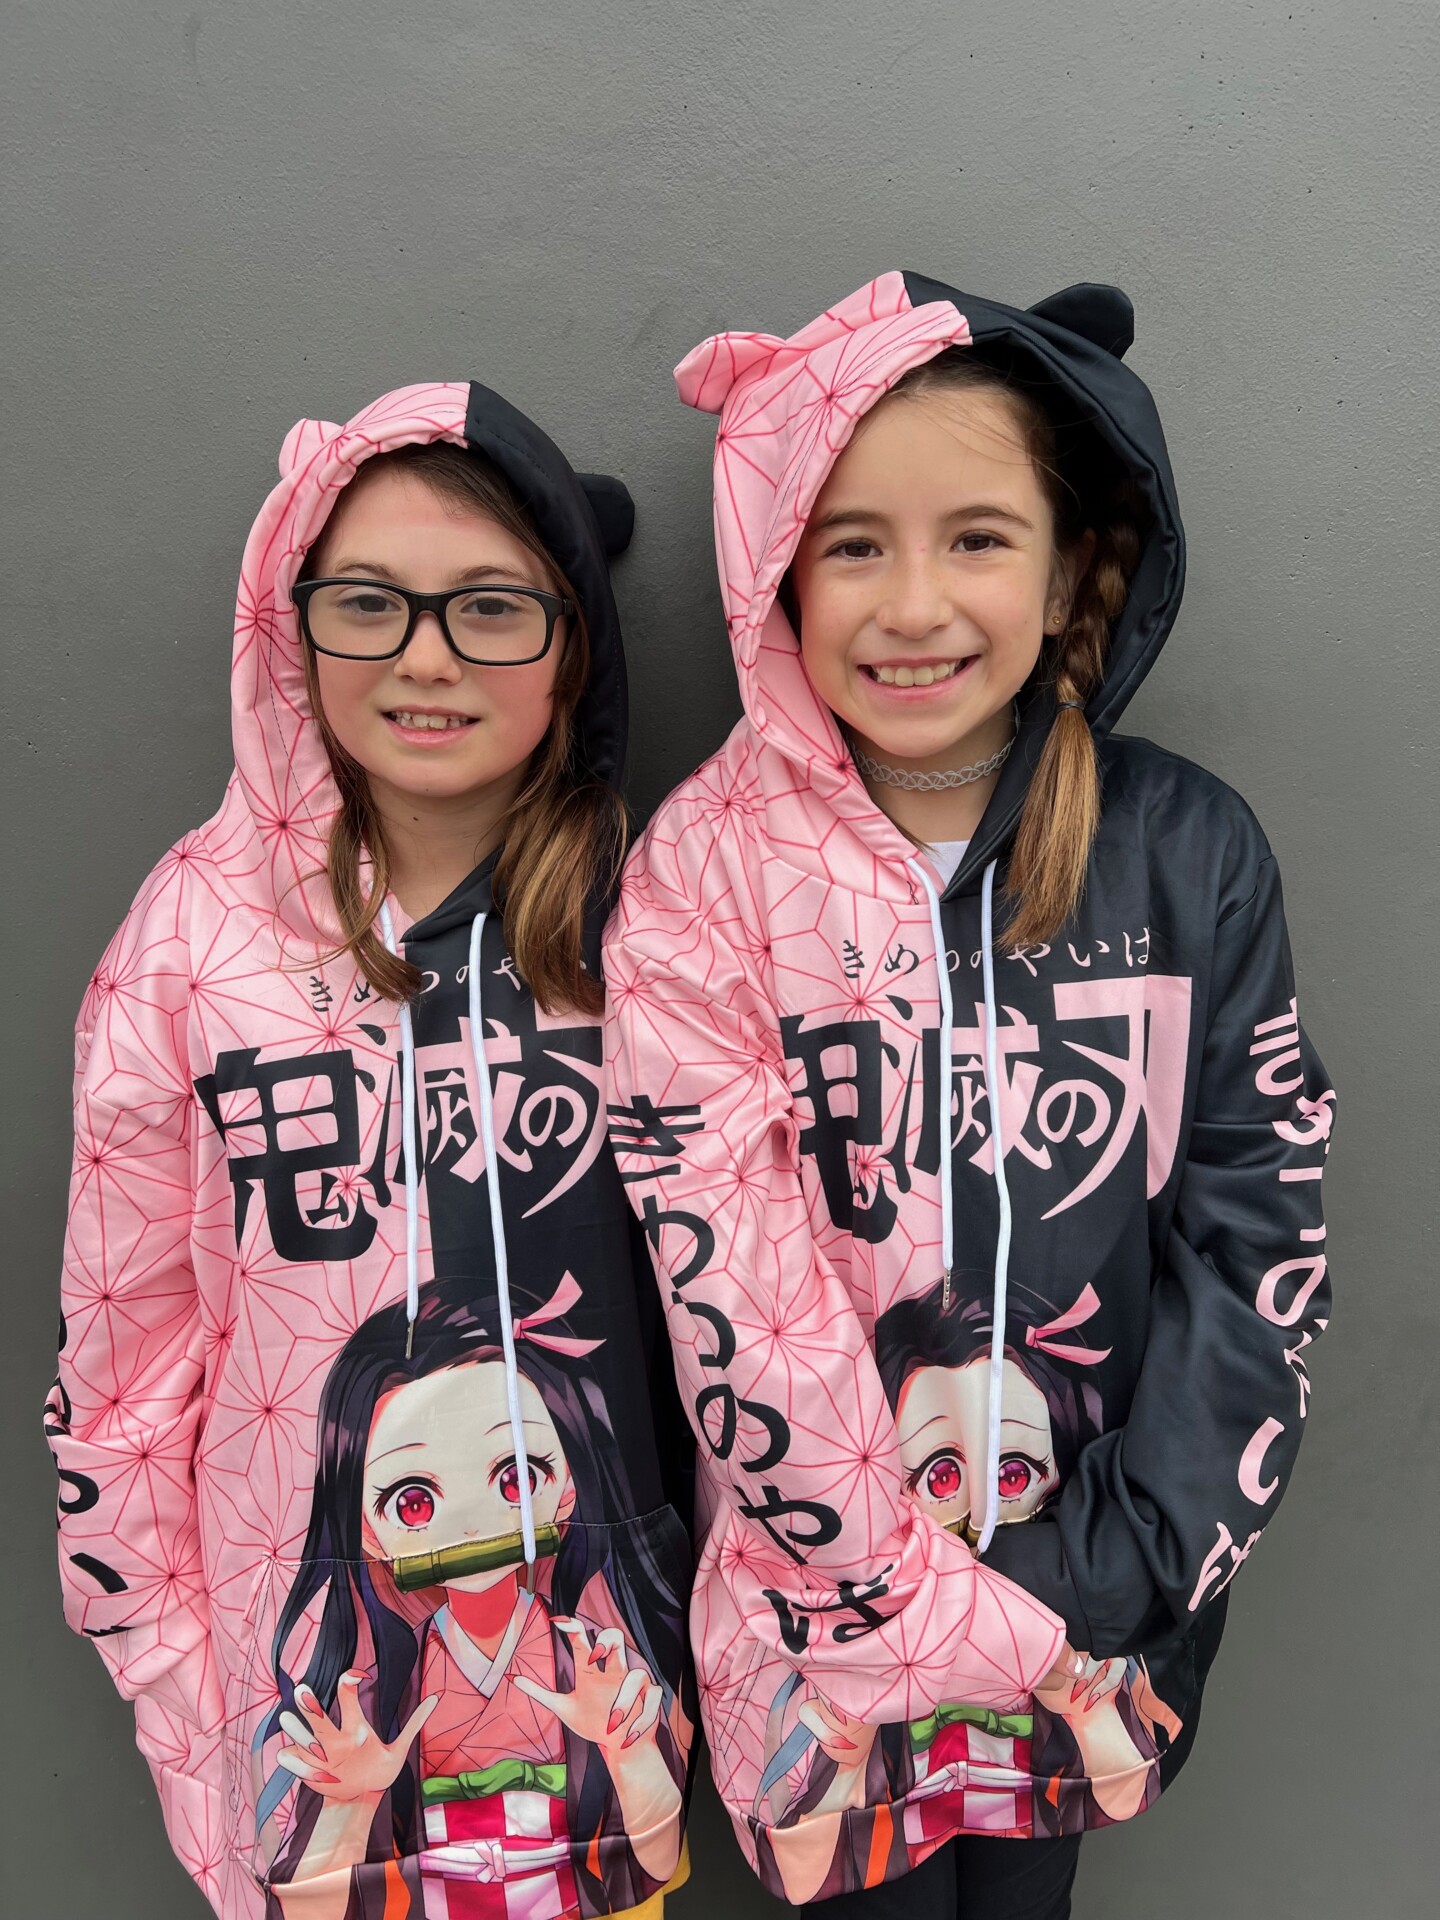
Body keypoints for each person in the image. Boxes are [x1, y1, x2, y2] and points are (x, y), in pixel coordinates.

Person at [603, 273, 1333, 1918]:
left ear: (1070, 569)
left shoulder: (1188, 851)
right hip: (824, 1639)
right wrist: (891, 1596)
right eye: (853, 544)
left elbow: (1256, 1243)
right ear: (779, 572)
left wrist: (1108, 1571)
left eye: (978, 538)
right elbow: (730, 1290)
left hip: (1091, 1619)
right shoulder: (703, 874)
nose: (913, 603)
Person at [47, 383, 692, 1920]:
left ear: (573, 645)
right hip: (301, 1732)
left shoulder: (657, 924)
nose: (425, 655)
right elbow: (123, 1361)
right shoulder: (190, 939)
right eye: (370, 602)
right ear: (294, 624)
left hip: (603, 1734)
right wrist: (177, 1683)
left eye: (490, 608)